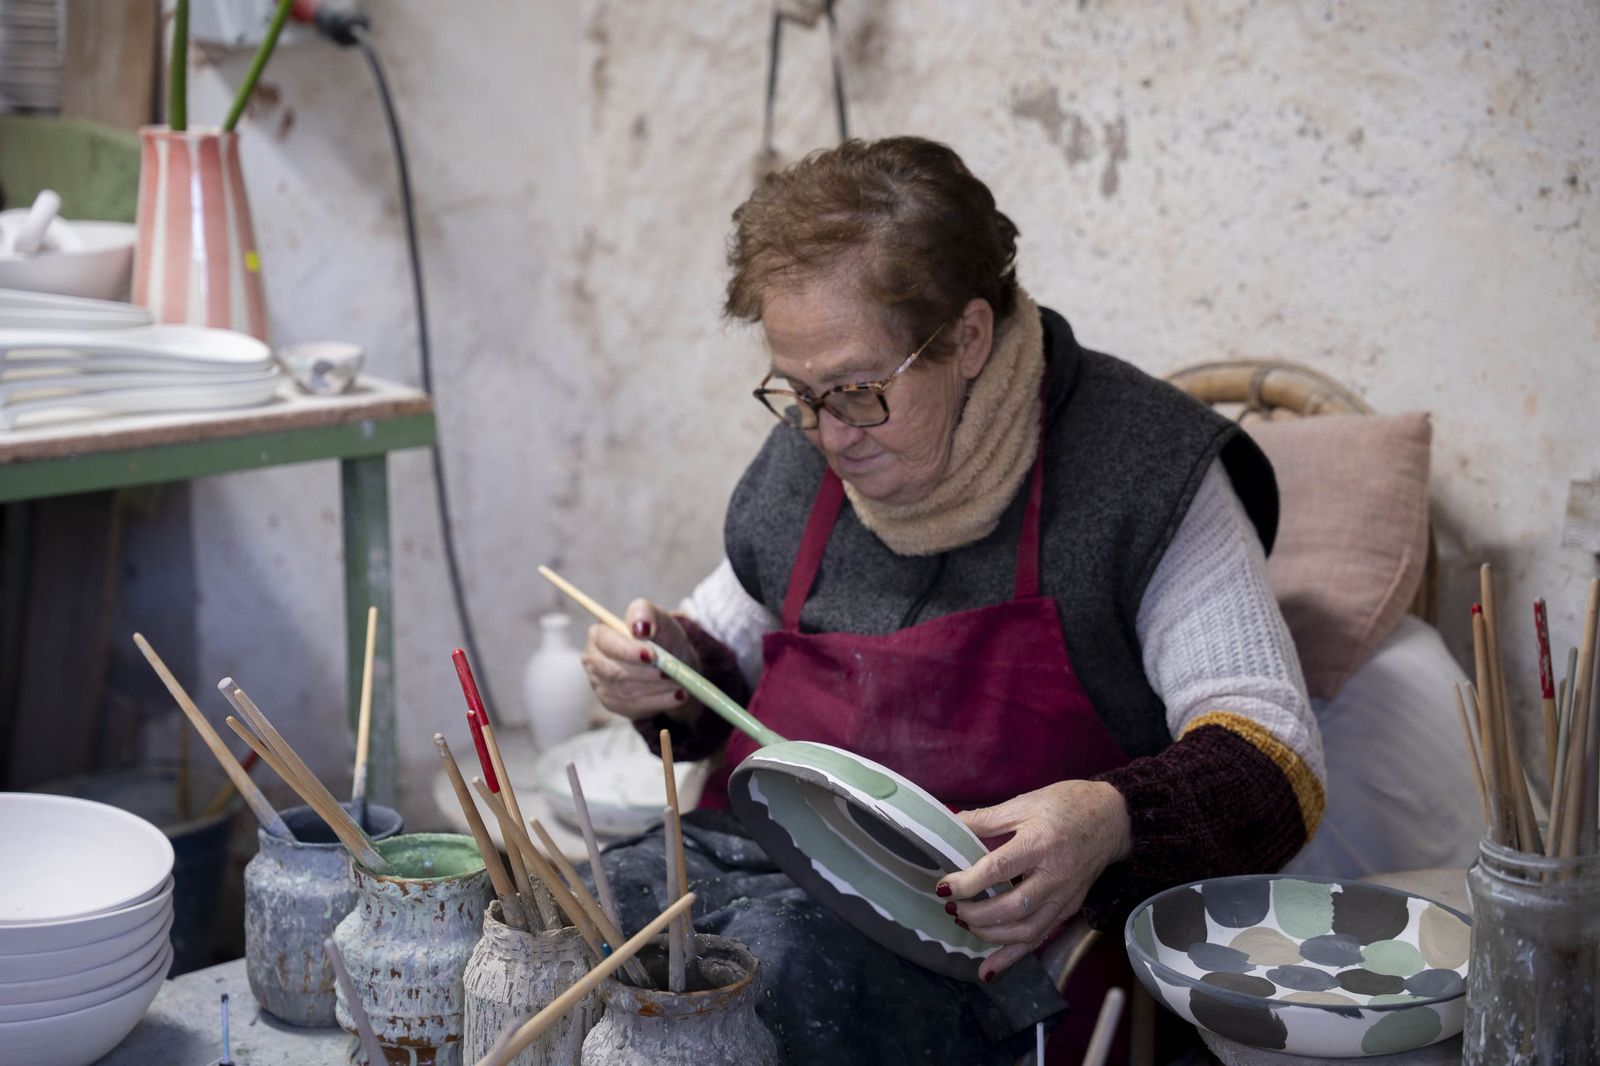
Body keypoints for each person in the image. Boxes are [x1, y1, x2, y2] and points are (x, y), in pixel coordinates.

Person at [580, 136, 1323, 1064]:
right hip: (768, 871)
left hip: (990, 938)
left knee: (766, 984)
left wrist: (1108, 816)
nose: (824, 435)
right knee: (576, 917)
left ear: (970, 336)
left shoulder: (1143, 473)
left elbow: (1274, 756)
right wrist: (665, 668)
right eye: (798, 393)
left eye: (856, 392)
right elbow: (724, 648)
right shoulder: (809, 454)